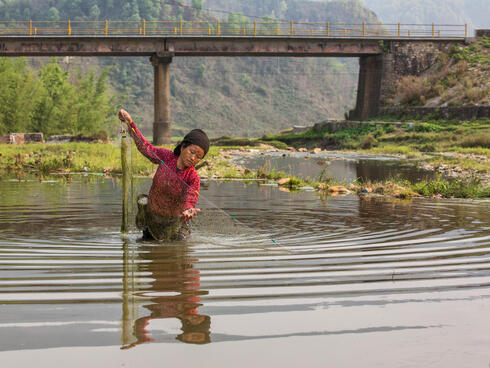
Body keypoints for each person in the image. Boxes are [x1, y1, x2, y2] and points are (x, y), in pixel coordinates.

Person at [118, 109, 209, 241]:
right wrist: (131, 123)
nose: (193, 158)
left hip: (175, 224)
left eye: (199, 157)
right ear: (183, 147)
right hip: (152, 219)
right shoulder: (166, 157)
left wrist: (188, 210)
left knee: (179, 251)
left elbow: (190, 199)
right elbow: (145, 147)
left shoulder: (193, 177)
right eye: (192, 152)